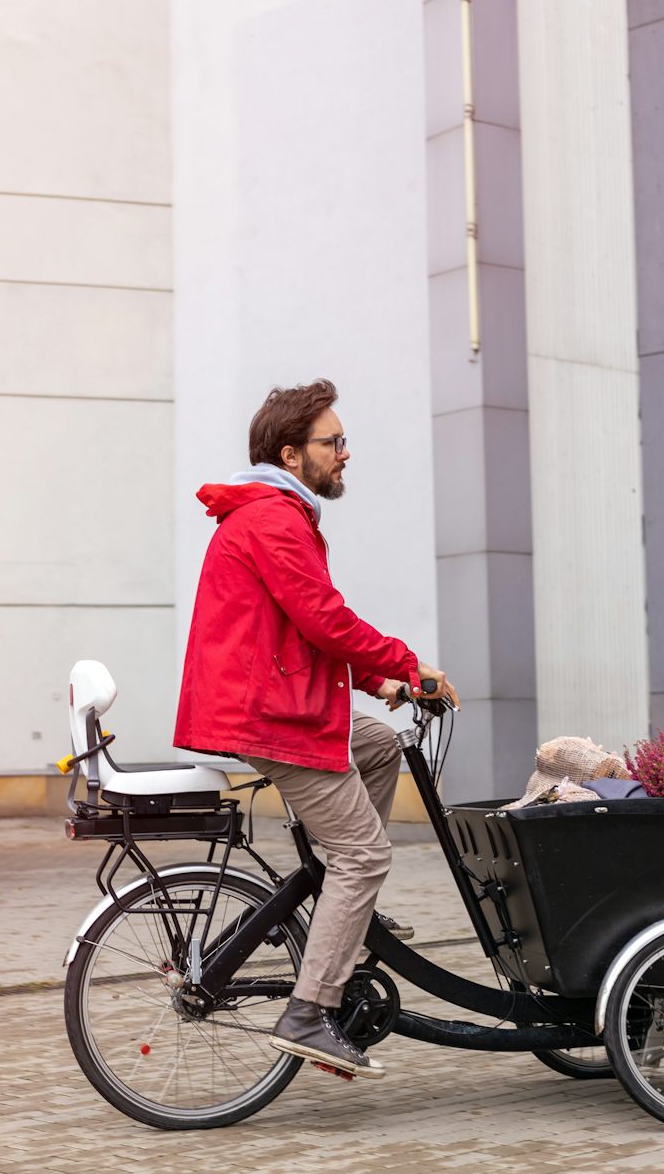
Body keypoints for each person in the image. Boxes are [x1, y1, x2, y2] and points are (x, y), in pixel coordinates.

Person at [173, 379, 460, 1081]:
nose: (345, 453)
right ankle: (310, 1012)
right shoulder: (273, 519)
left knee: (379, 743)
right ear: (291, 453)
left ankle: (344, 911)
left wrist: (381, 685)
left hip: (273, 702)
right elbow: (325, 619)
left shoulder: (276, 513)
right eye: (334, 442)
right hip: (269, 716)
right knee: (364, 854)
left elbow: (302, 633)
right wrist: (407, 664)